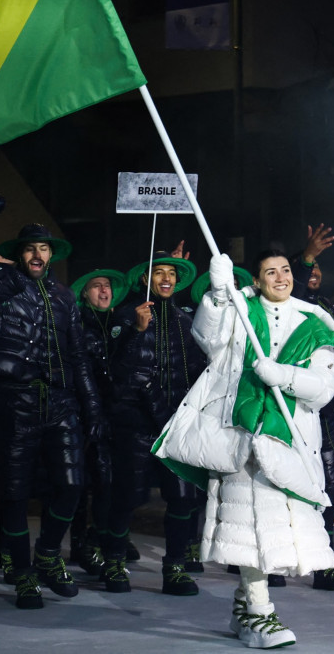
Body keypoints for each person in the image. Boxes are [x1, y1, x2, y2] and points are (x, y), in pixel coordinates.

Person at [156, 250, 334, 648]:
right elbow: (209, 340)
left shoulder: (313, 323)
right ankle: (260, 614)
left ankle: (245, 609)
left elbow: (325, 389)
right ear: (256, 280)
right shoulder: (240, 310)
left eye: (286, 271)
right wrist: (219, 297)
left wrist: (285, 376)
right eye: (270, 272)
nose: (281, 278)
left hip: (288, 442)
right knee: (252, 531)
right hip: (239, 438)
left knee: (276, 531)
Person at [0, 194, 108, 610]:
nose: (37, 254)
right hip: (16, 399)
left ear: (51, 254)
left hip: (61, 402)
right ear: (20, 255)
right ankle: (24, 574)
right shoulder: (3, 286)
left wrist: (93, 407)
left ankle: (47, 555)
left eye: (43, 248)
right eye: (30, 248)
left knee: (71, 484)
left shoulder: (64, 298)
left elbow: (78, 355)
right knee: (13, 493)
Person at [101, 252, 205, 595]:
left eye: (170, 273)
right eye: (157, 272)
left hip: (176, 427)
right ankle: (113, 561)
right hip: (136, 426)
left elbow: (196, 375)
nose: (165, 278)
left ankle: (174, 568)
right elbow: (118, 374)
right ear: (144, 280)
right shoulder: (126, 317)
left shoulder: (186, 322)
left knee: (182, 499)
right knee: (128, 496)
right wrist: (137, 332)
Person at [291, 223, 334, 590]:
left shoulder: (329, 308)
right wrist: (307, 256)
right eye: (307, 268)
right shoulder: (286, 307)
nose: (313, 272)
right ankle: (268, 561)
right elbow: (297, 289)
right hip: (289, 415)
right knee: (284, 484)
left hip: (326, 415)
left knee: (330, 485)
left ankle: (325, 563)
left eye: (318, 267)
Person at [66, 268, 129, 577]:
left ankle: (106, 538)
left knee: (111, 481)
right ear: (84, 293)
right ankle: (82, 543)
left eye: (107, 286)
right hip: (83, 415)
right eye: (96, 286)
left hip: (116, 414)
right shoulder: (76, 325)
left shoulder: (121, 322)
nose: (104, 291)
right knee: (84, 482)